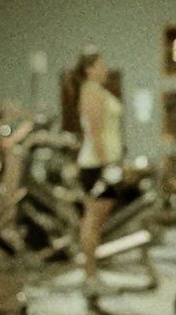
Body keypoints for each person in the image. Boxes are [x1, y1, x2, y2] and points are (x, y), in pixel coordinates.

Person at [74, 48, 123, 297]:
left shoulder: (95, 90)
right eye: (100, 65)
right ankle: (90, 278)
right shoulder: (91, 92)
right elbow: (95, 134)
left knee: (96, 224)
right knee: (92, 223)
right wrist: (107, 166)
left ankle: (92, 275)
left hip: (103, 165)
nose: (105, 69)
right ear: (89, 69)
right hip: (97, 166)